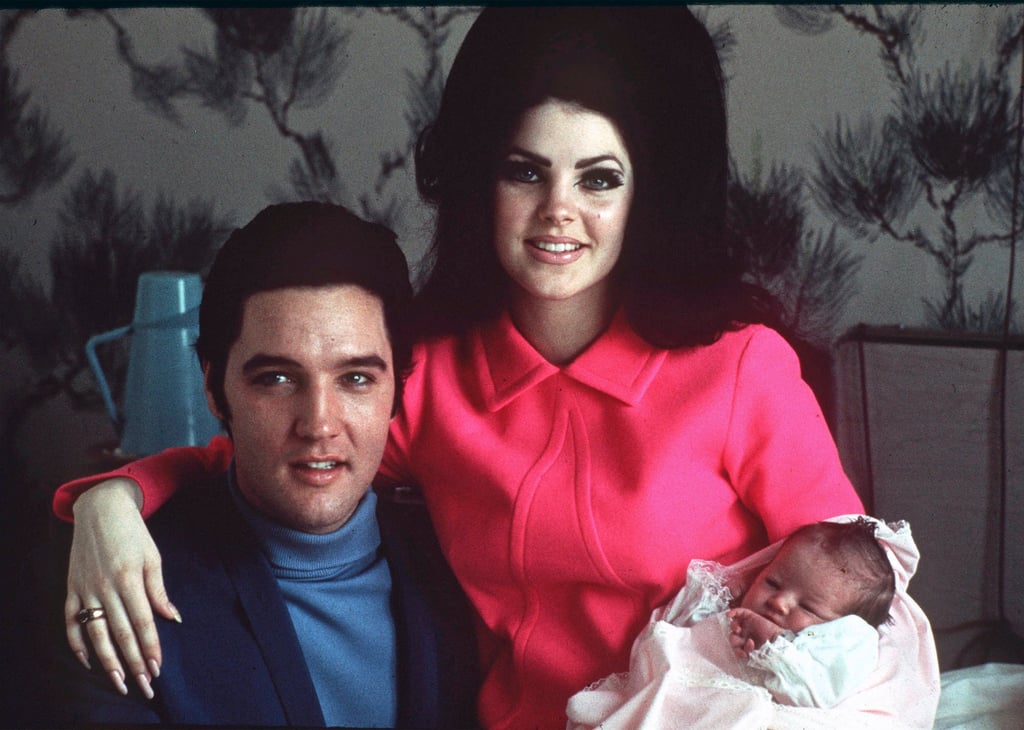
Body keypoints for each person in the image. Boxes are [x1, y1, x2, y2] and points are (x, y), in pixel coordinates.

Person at [52, 7, 940, 728]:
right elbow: (268, 450)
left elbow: (859, 600)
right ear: (483, 182)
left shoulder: (741, 370)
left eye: (598, 179)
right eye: (525, 172)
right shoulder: (432, 376)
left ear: (648, 193)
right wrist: (109, 502)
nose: (558, 212)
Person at [51, 202, 478, 727]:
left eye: (356, 379)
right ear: (214, 389)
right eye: (277, 378)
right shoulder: (117, 586)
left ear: (398, 391)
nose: (319, 424)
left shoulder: (461, 559)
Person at [566, 516, 916, 729]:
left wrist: (773, 644)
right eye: (773, 583)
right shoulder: (727, 606)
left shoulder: (845, 647)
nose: (779, 602)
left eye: (808, 607)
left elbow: (814, 691)